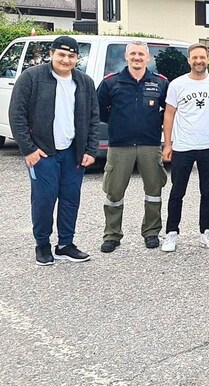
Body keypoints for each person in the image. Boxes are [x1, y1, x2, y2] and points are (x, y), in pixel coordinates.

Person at [9, 35, 99, 265]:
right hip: (43, 152)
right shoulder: (31, 78)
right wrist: (28, 150)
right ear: (51, 54)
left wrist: (90, 149)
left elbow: (93, 118)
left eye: (71, 56)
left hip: (73, 153)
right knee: (43, 200)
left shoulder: (85, 82)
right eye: (61, 54)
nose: (66, 59)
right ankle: (42, 245)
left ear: (77, 58)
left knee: (70, 200)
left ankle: (65, 244)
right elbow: (16, 116)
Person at [97, 41, 169, 253]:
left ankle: (151, 232)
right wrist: (119, 124)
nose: (137, 58)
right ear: (126, 57)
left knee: (154, 191)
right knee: (114, 192)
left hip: (150, 145)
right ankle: (112, 235)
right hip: (120, 146)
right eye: (133, 54)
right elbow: (100, 109)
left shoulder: (160, 83)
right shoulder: (111, 82)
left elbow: (169, 111)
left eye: (141, 54)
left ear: (148, 58)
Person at [161, 43, 209, 252]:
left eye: (202, 57)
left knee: (207, 192)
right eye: (194, 58)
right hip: (183, 146)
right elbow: (169, 114)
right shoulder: (177, 84)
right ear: (188, 60)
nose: (199, 61)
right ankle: (172, 233)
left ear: (208, 59)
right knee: (177, 191)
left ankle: (206, 231)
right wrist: (168, 143)